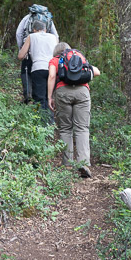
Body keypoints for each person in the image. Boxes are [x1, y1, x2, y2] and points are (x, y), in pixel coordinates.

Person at [48, 42, 100, 178]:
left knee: (65, 128)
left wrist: (49, 97)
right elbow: (97, 72)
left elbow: (52, 76)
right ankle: (83, 163)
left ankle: (67, 163)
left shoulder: (55, 60)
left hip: (62, 92)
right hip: (82, 92)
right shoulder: (79, 58)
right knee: (82, 128)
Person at [16, 6, 59, 103]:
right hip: (50, 63)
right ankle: (49, 109)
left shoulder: (27, 18)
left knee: (28, 75)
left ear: (34, 29)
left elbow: (18, 33)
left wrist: (22, 49)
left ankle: (28, 97)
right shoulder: (48, 19)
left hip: (32, 56)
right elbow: (56, 36)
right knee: (49, 91)